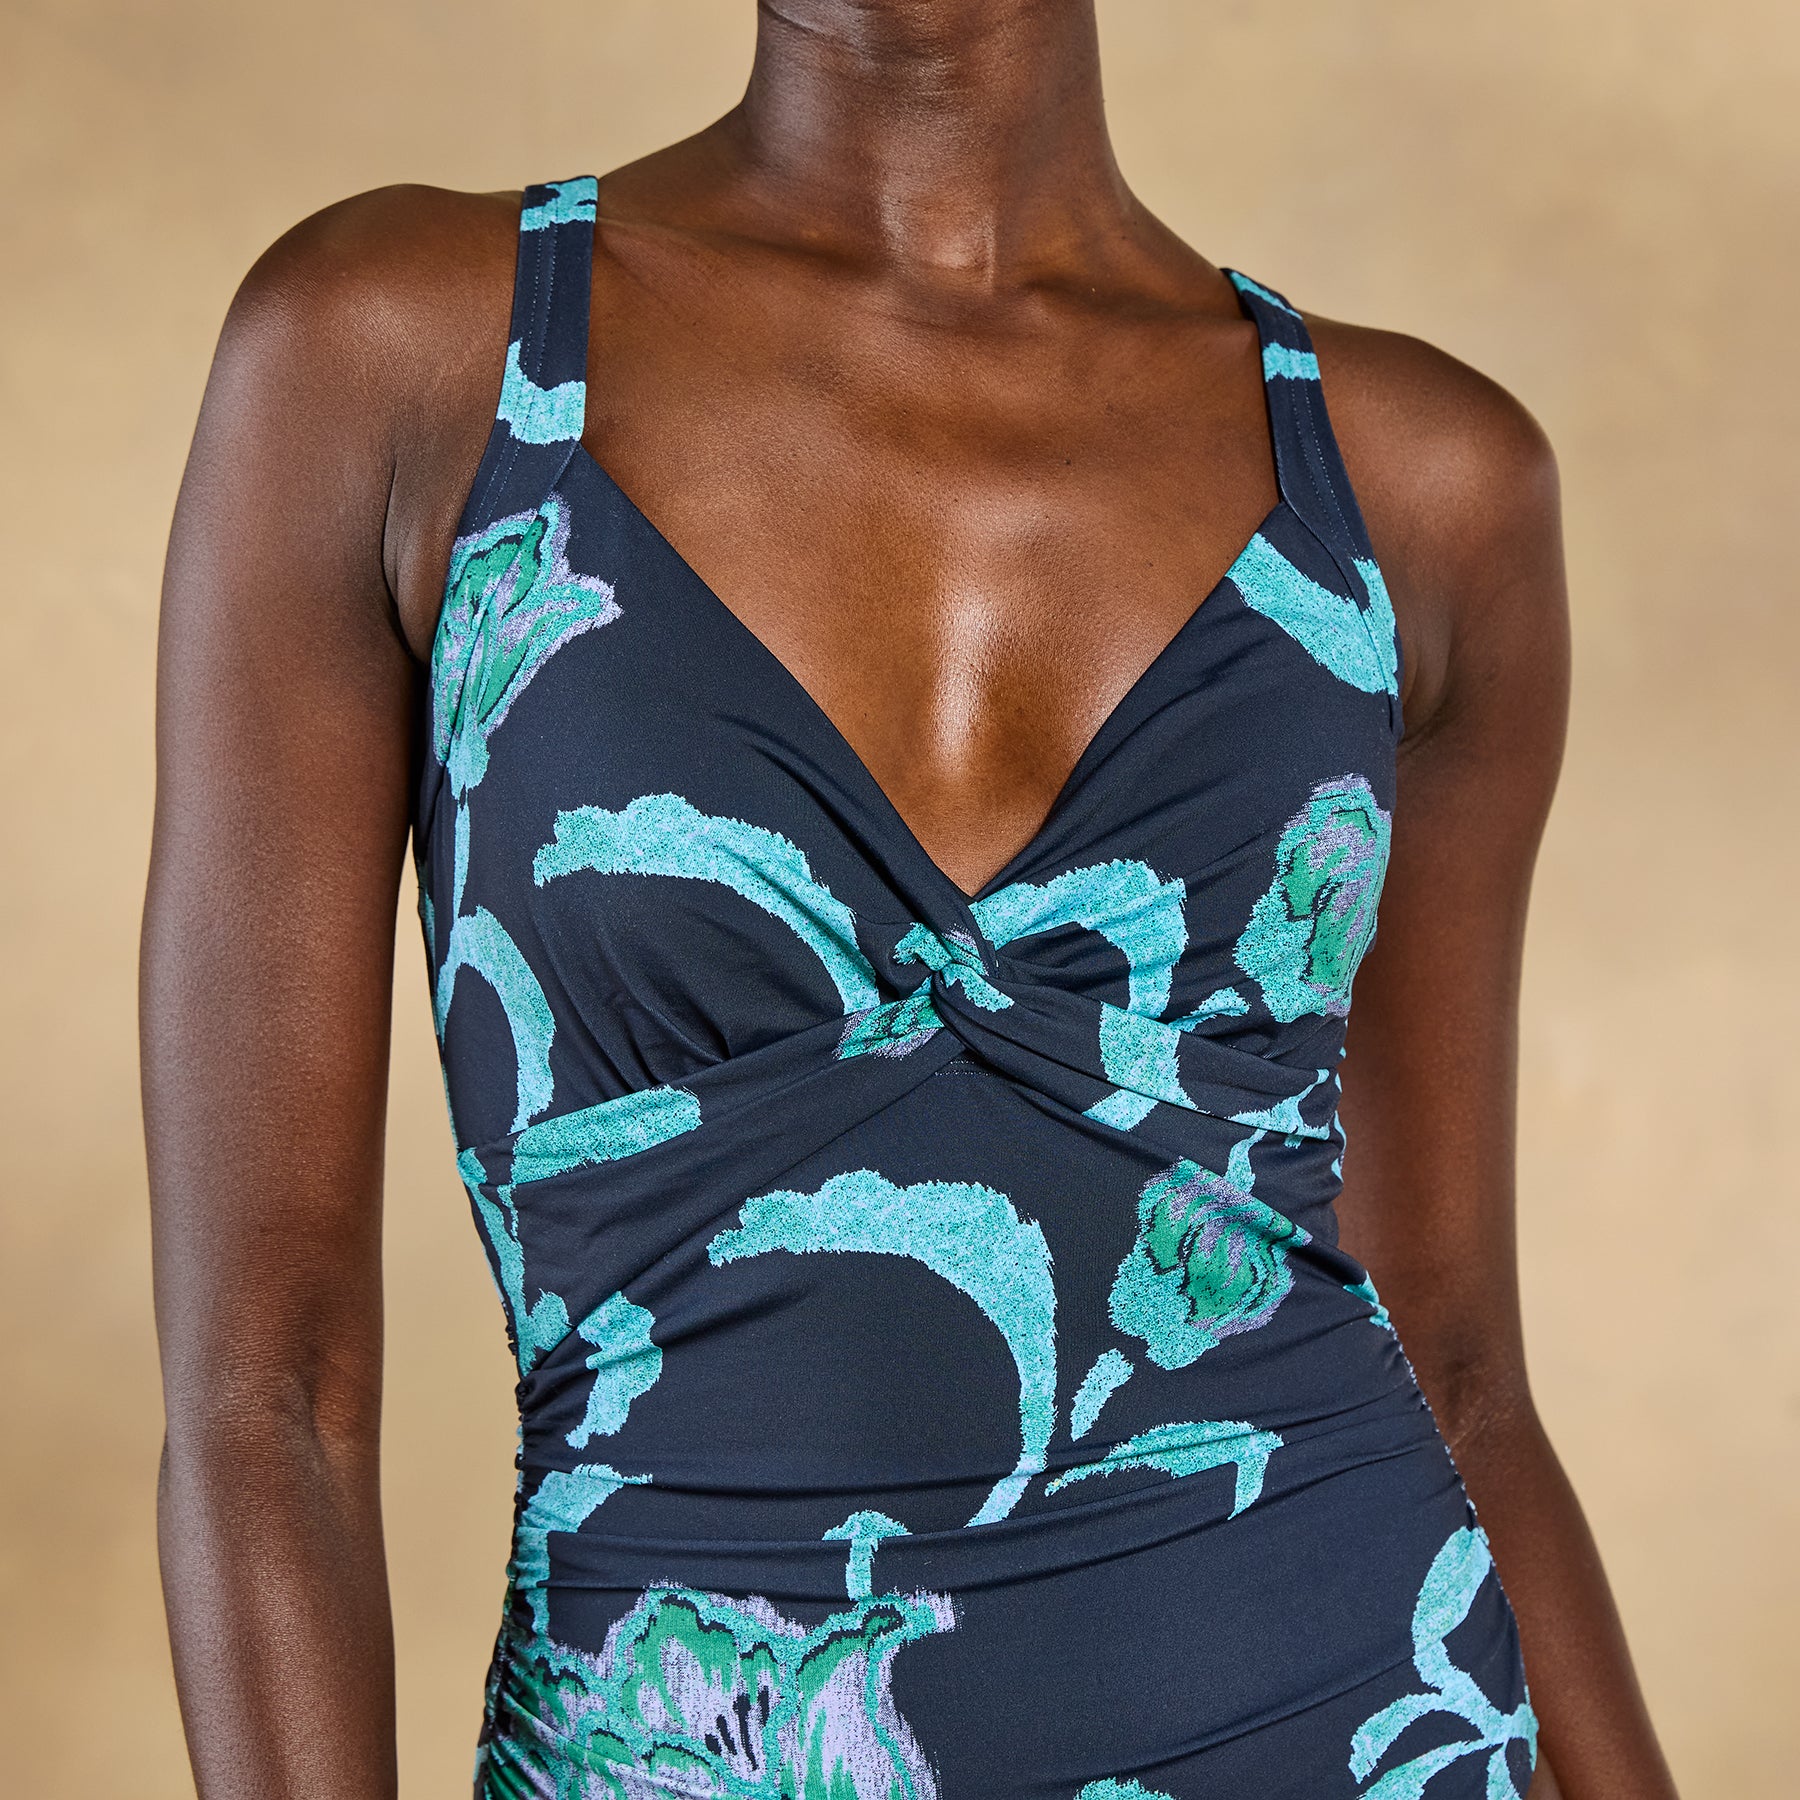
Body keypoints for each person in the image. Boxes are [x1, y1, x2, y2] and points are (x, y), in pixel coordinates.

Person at [141, 2, 1679, 1795]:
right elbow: (269, 1398)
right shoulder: (399, 357)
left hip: (1350, 1720)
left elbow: (1464, 1369)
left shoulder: (1423, 487)